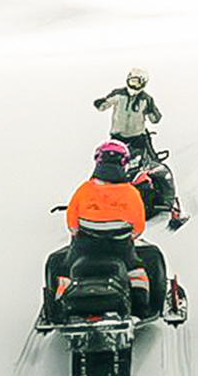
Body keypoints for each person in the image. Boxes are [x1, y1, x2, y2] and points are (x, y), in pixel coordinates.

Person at [44, 141, 166, 319]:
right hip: (121, 250)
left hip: (83, 250)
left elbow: (72, 226)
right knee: (140, 267)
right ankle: (143, 309)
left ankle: (57, 308)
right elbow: (138, 229)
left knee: (60, 266)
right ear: (123, 164)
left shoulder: (83, 190)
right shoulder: (131, 193)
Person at [93, 68, 162, 164]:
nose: (133, 85)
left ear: (143, 83)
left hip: (137, 137)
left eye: (137, 82)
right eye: (132, 81)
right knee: (112, 159)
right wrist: (100, 103)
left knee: (145, 159)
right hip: (118, 136)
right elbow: (103, 106)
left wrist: (152, 111)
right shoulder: (118, 94)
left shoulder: (146, 99)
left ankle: (152, 170)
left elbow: (155, 119)